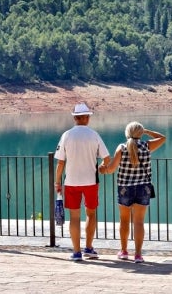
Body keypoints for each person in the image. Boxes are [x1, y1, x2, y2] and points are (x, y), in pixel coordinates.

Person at [100, 121, 166, 263]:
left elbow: (111, 169)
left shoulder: (122, 148)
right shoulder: (147, 146)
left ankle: (124, 251)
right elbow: (162, 138)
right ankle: (138, 254)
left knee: (124, 220)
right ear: (140, 134)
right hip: (143, 188)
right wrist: (147, 131)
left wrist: (102, 169)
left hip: (125, 188)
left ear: (126, 133)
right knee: (139, 222)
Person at [54, 102, 110, 262]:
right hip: (91, 181)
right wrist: (102, 167)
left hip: (71, 181)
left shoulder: (66, 135)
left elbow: (60, 163)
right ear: (86, 118)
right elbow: (107, 158)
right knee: (91, 214)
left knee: (74, 217)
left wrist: (57, 182)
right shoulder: (94, 135)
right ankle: (89, 247)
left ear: (75, 118)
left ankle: (77, 252)